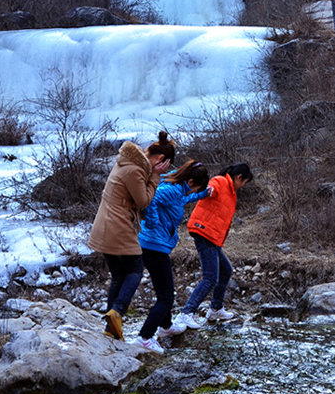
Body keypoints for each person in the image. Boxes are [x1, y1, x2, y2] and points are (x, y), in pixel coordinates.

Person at [88, 130, 175, 341]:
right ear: (161, 160)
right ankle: (117, 312)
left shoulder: (126, 163)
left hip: (105, 224)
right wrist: (155, 177)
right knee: (135, 270)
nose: (164, 170)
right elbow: (143, 200)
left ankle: (111, 327)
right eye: (166, 166)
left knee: (119, 275)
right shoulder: (136, 170)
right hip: (118, 226)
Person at [133, 159, 211, 353]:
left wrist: (203, 194)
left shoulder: (177, 187)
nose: (193, 192)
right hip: (154, 245)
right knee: (166, 297)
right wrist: (153, 223)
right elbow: (152, 200)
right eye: (197, 188)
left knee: (165, 290)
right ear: (191, 181)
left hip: (153, 244)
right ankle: (144, 337)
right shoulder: (172, 190)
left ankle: (166, 327)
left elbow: (183, 199)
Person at [171, 162, 254, 331]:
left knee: (226, 270)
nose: (242, 186)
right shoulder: (220, 181)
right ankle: (186, 313)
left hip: (212, 236)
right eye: (244, 182)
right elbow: (211, 188)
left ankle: (215, 309)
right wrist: (207, 191)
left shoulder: (230, 191)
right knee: (210, 277)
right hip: (204, 232)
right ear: (239, 177)